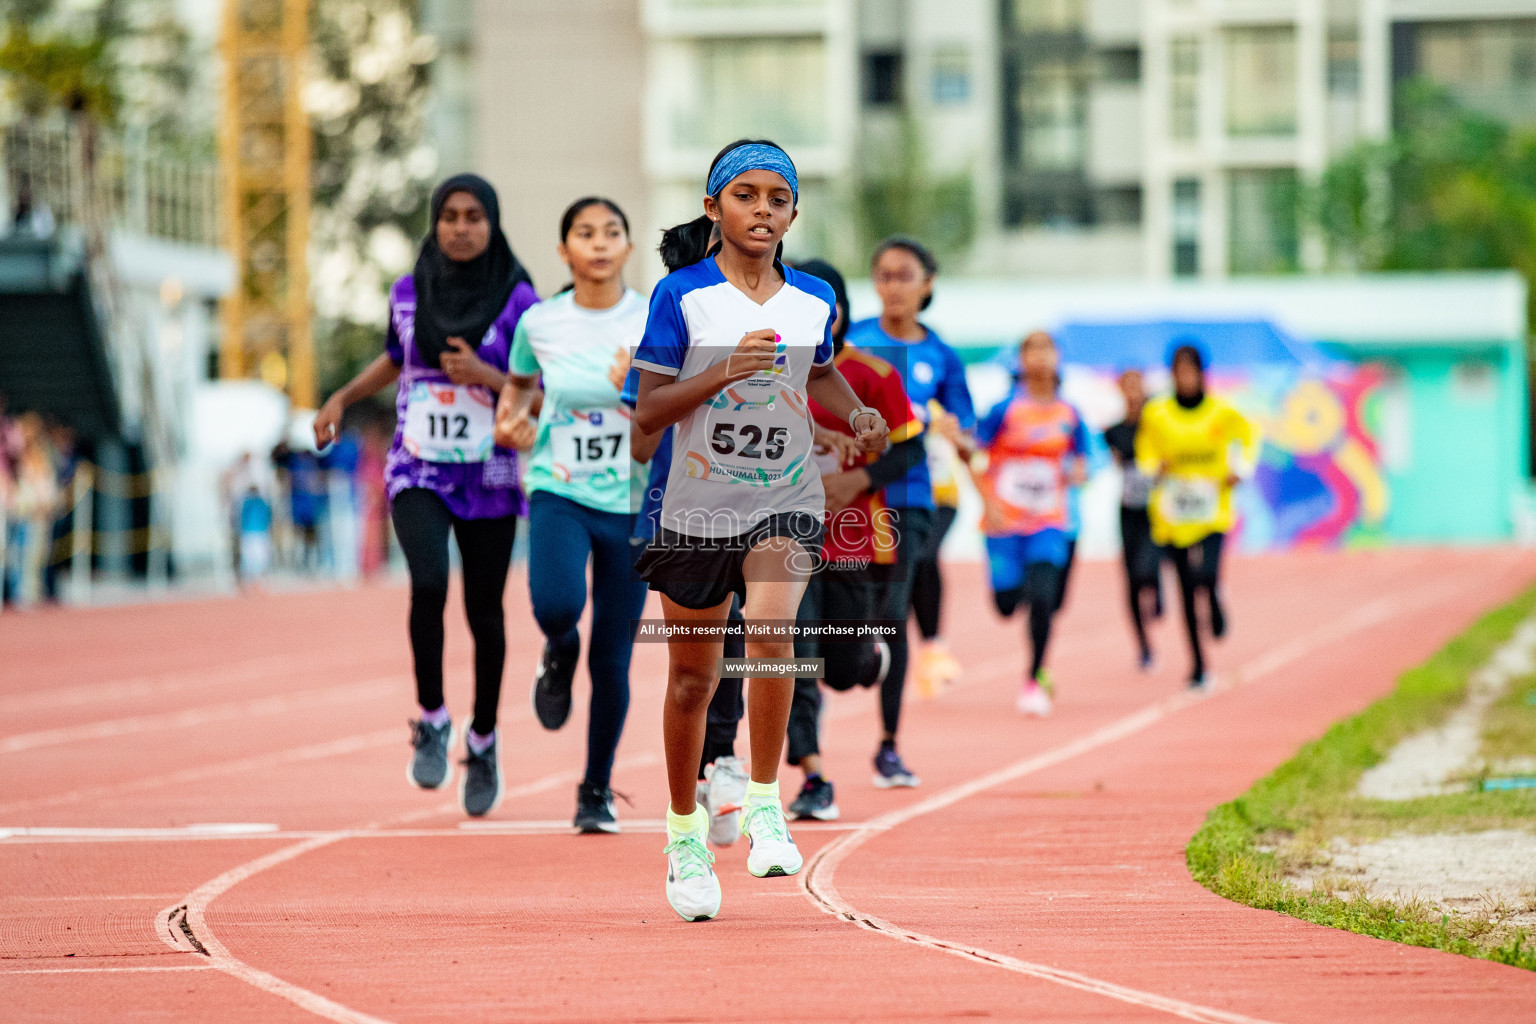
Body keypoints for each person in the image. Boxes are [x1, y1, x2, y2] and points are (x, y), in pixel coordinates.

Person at [631, 138, 889, 922]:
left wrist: (857, 414)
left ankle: (769, 802)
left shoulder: (809, 298)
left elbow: (817, 371)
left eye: (777, 199)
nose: (763, 210)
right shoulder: (681, 296)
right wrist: (719, 372)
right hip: (697, 509)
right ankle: (683, 832)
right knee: (692, 681)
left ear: (794, 213)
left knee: (774, 635)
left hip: (784, 497)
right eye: (746, 195)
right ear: (714, 207)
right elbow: (647, 418)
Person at [313, 173, 536, 817]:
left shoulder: (520, 300)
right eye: (449, 216)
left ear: (492, 225)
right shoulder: (409, 292)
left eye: (473, 217)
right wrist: (342, 397)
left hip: (489, 469)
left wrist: (487, 376)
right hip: (420, 465)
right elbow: (394, 356)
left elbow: (536, 385)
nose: (460, 227)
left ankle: (484, 737)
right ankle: (432, 716)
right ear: (434, 223)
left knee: (484, 611)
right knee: (430, 583)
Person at [492, 196, 649, 834]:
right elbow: (518, 392)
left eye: (613, 231)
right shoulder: (541, 323)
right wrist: (513, 423)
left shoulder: (651, 319)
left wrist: (638, 386)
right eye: (585, 233)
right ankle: (559, 648)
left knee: (613, 658)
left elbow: (680, 408)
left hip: (635, 500)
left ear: (629, 248)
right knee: (557, 606)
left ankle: (596, 788)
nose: (600, 243)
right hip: (559, 486)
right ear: (564, 251)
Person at [785, 257, 921, 821]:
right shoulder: (769, 370)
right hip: (785, 538)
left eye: (829, 305)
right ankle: (813, 775)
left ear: (840, 312)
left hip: (855, 539)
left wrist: (855, 480)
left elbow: (910, 449)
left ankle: (869, 661)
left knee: (840, 667)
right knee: (794, 654)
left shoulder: (874, 375)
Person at [845, 236, 975, 787]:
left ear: (928, 284)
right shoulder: (855, 343)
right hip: (851, 496)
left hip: (912, 496)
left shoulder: (940, 354)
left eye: (905, 276)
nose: (893, 286)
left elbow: (966, 432)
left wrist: (955, 434)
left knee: (892, 615)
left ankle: (889, 744)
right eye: (884, 275)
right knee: (851, 617)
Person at [956, 331, 1088, 717]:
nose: (1042, 357)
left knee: (1045, 597)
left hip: (1048, 522)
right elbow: (971, 453)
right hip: (1003, 524)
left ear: (1058, 358)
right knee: (1006, 604)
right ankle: (1017, 591)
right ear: (1022, 359)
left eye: (1048, 349)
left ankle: (1034, 678)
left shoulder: (1069, 413)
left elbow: (1081, 457)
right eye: (1034, 349)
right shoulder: (1003, 411)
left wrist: (1079, 471)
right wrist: (987, 503)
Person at [1135, 342, 1259, 689]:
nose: (1185, 378)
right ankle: (1199, 665)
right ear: (1172, 375)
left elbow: (1247, 436)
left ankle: (1216, 596)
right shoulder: (1157, 413)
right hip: (1173, 514)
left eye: (1191, 371)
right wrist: (1152, 467)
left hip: (1212, 511)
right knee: (1186, 590)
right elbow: (1145, 451)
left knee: (1205, 574)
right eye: (1179, 372)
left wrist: (1240, 468)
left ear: (1203, 374)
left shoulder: (1222, 411)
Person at [1104, 368, 1163, 671]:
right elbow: (1095, 454)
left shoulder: (1157, 424)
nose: (1131, 392)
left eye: (1136, 386)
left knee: (1147, 569)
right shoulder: (1114, 430)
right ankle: (1143, 646)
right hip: (1128, 510)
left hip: (1157, 511)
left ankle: (1158, 587)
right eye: (1126, 386)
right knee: (1130, 580)